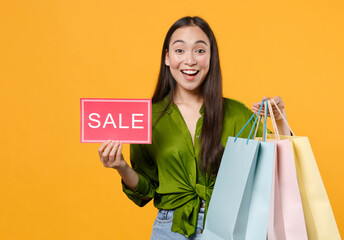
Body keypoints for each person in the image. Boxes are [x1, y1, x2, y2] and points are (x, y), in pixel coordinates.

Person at [97, 16, 291, 240]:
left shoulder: (237, 114)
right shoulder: (149, 117)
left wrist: (280, 120)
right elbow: (146, 190)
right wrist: (121, 166)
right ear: (167, 58)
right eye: (180, 51)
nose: (189, 60)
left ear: (211, 58)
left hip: (227, 228)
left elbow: (280, 168)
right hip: (170, 230)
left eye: (199, 51)